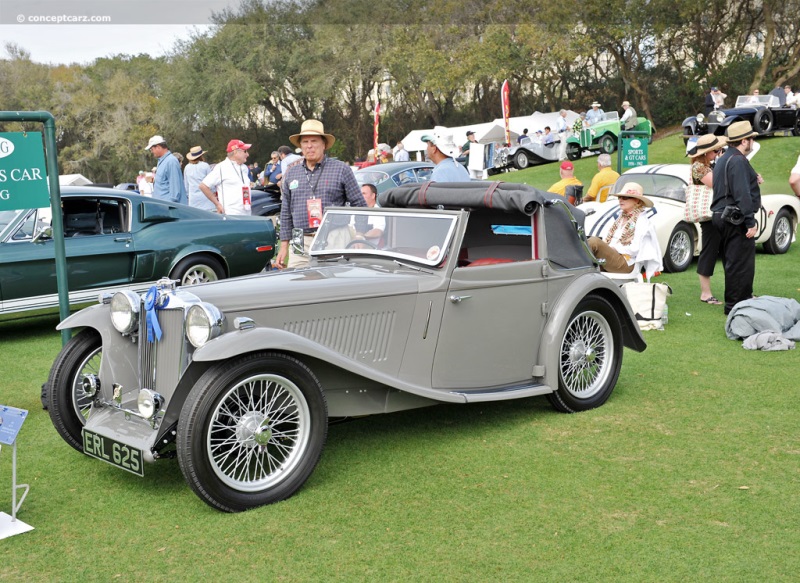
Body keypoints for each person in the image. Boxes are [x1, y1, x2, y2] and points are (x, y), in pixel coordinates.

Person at [276, 119, 366, 269]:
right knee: (296, 283)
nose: (309, 146)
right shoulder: (292, 172)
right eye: (305, 142)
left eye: (314, 141)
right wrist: (284, 245)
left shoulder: (341, 169)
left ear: (324, 144)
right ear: (300, 146)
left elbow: (359, 204)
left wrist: (360, 235)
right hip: (300, 240)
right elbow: (286, 211)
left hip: (334, 237)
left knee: (332, 284)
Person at [711, 121, 762, 315]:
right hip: (734, 216)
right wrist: (750, 221)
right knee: (741, 262)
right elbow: (741, 193)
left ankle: (739, 300)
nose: (752, 142)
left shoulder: (724, 158)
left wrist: (753, 177)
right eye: (751, 139)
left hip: (721, 215)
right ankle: (737, 304)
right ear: (743, 140)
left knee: (732, 262)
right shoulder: (738, 160)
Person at [687, 134, 727, 305]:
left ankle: (712, 291)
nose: (718, 153)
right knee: (709, 251)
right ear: (706, 152)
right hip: (709, 215)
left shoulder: (709, 165)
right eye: (716, 150)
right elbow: (716, 184)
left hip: (717, 213)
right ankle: (705, 293)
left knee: (721, 250)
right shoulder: (698, 167)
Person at [587, 182, 656, 273]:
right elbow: (607, 238)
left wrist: (614, 248)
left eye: (625, 197)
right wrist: (607, 247)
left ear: (637, 201)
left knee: (594, 242)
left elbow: (635, 249)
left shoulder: (642, 221)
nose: (620, 200)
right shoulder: (620, 217)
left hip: (627, 262)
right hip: (611, 257)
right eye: (619, 197)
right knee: (585, 241)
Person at [198, 139, 254, 216]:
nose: (248, 154)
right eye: (245, 151)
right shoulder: (221, 167)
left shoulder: (244, 168)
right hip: (230, 215)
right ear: (235, 152)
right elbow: (203, 186)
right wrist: (217, 204)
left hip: (247, 213)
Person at [144, 135, 187, 204]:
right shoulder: (163, 161)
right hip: (163, 207)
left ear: (158, 147)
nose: (151, 151)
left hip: (169, 208)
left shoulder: (171, 161)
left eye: (152, 149)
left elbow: (175, 192)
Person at [183, 145, 214, 211]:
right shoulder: (205, 166)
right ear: (201, 156)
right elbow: (211, 183)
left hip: (193, 199)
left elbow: (186, 186)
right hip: (206, 199)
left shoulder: (187, 167)